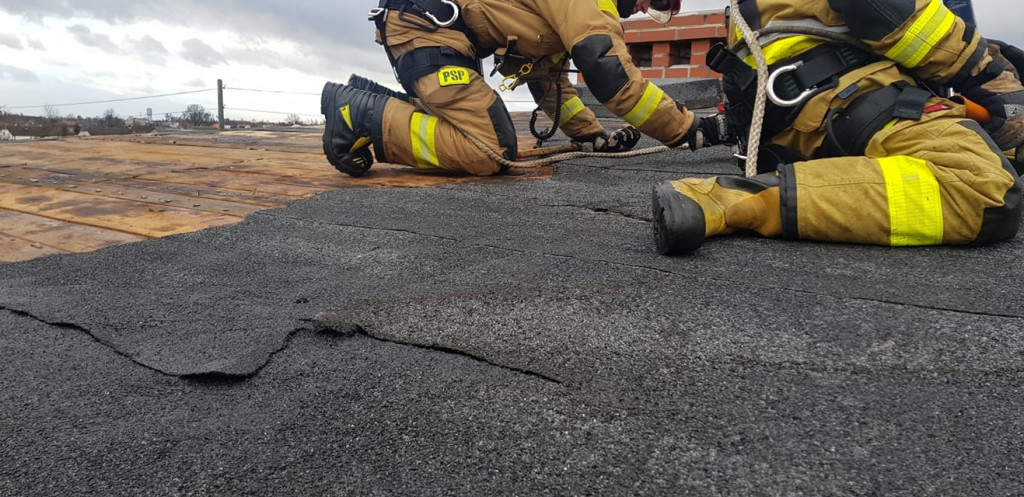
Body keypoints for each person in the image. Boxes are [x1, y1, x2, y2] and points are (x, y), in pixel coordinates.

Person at [653, 0, 1024, 255]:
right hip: (844, 98)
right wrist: (989, 75)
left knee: (1007, 150)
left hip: (801, 113)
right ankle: (730, 200)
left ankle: (795, 183)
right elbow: (883, 12)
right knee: (980, 186)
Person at [320, 0, 734, 177]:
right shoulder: (587, 5)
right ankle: (356, 112)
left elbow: (548, 83)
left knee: (489, 138)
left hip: (432, 36)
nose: (648, 9)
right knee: (491, 151)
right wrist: (691, 129)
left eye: (662, 12)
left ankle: (367, 105)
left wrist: (591, 137)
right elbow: (609, 74)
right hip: (428, 33)